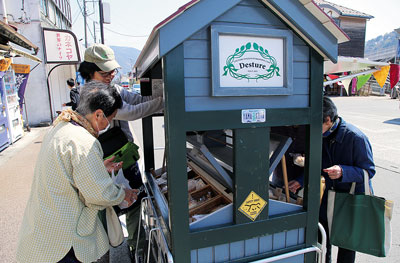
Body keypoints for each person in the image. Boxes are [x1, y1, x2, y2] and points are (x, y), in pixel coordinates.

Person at [16, 81, 139, 263]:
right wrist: (124, 194)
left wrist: (99, 167)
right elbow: (100, 193)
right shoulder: (83, 141)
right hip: (64, 241)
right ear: (98, 114)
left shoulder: (61, 127)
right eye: (110, 118)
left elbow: (68, 172)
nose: (108, 123)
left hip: (44, 230)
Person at [78, 43, 163, 255]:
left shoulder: (113, 88)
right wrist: (165, 102)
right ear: (89, 71)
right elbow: (131, 112)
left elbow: (138, 100)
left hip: (125, 156)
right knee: (109, 205)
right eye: (104, 72)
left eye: (112, 71)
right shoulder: (90, 93)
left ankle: (135, 247)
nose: (110, 75)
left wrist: (161, 96)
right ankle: (106, 250)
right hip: (106, 161)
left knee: (135, 199)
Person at [320, 96, 375, 263]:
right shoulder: (322, 135)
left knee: (347, 246)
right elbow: (318, 165)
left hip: (351, 199)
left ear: (328, 120)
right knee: (323, 238)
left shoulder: (356, 137)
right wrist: (300, 180)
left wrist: (343, 171)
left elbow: (368, 171)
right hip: (329, 196)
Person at [271, 125, 306, 194]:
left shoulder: (308, 128)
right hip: (279, 172)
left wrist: (301, 180)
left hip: (300, 175)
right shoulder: (277, 125)